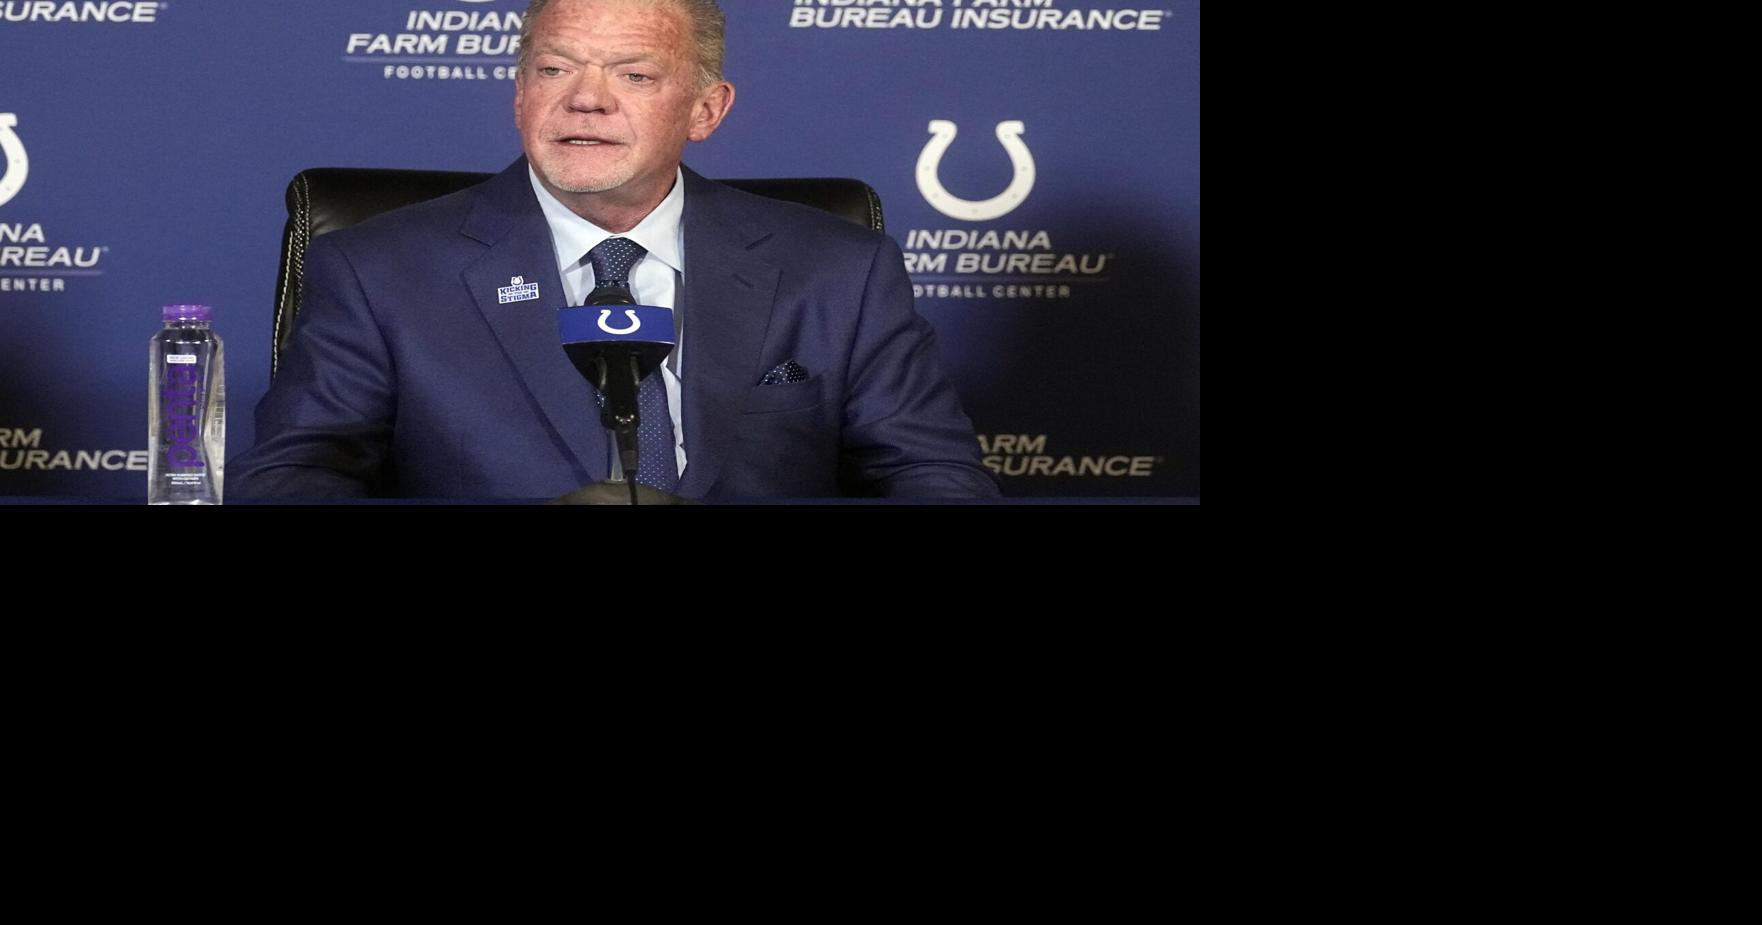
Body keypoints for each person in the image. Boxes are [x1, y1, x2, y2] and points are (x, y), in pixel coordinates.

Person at [232, 0, 998, 501]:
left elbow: (933, 475)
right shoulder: (379, 269)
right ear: (521, 95)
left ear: (706, 109)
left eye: (634, 74)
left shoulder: (838, 269)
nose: (586, 98)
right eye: (554, 69)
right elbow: (294, 477)